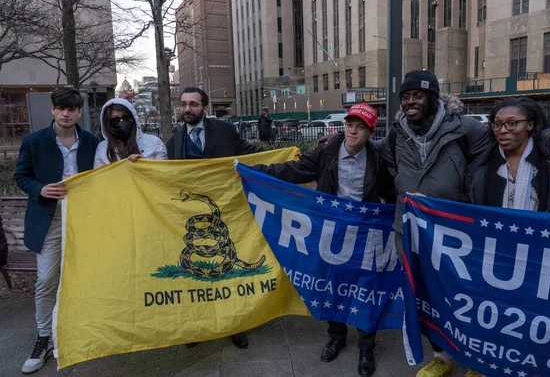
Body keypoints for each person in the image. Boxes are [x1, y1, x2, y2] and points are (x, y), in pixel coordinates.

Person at [373, 70, 550, 377]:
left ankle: (476, 359)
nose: (410, 102)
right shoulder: (396, 132)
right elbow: (383, 158)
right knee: (425, 296)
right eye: (405, 96)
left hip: (455, 233)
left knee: (465, 297)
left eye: (418, 95)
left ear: (433, 98)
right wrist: (337, 143)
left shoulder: (464, 128)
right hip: (411, 231)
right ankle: (440, 357)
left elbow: (510, 140)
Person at [250, 103, 395, 377]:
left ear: (371, 132)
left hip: (365, 234)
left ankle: (366, 347)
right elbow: (294, 170)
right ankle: (336, 336)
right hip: (331, 232)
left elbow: (390, 192)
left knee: (366, 289)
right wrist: (255, 172)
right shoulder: (326, 152)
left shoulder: (376, 158)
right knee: (332, 285)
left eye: (360, 127)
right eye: (350, 124)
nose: (353, 131)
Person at [166, 87, 264, 349]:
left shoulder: (225, 130)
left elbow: (249, 152)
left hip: (226, 212)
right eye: (184, 104)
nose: (187, 109)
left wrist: (284, 154)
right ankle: (198, 328)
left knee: (226, 271)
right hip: (192, 217)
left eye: (193, 104)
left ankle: (235, 325)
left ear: (204, 108)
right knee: (194, 278)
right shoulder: (173, 141)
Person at [14, 87, 99, 375]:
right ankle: (43, 338)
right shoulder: (34, 141)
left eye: (71, 109)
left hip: (85, 220)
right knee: (47, 278)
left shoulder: (90, 141)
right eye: (60, 108)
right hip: (49, 219)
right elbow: (21, 176)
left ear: (79, 112)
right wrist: (40, 188)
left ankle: (84, 328)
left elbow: (104, 171)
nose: (65, 113)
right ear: (52, 109)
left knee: (88, 275)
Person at [471, 97, 550, 217]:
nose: (502, 130)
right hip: (492, 240)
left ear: (530, 125)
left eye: (512, 123)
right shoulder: (482, 164)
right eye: (497, 124)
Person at [93, 98, 167, 167]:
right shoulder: (103, 148)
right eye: (115, 120)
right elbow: (99, 178)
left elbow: (163, 176)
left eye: (125, 117)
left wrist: (145, 164)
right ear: (108, 123)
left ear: (133, 118)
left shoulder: (154, 143)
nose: (121, 122)